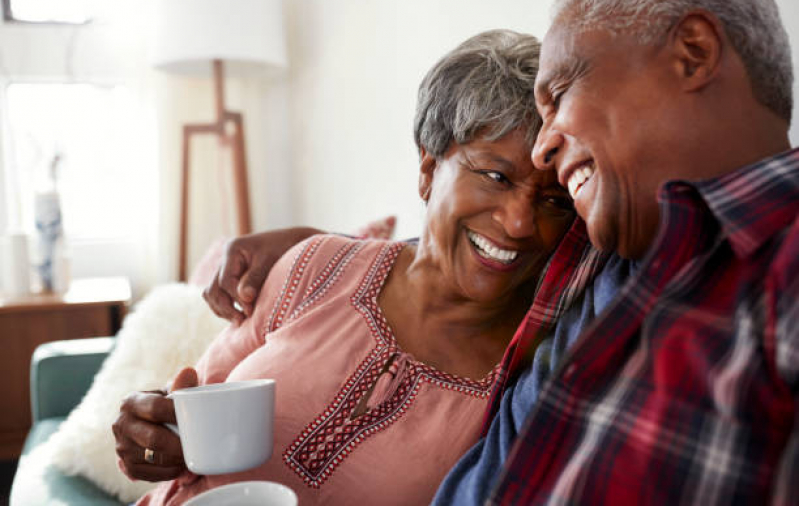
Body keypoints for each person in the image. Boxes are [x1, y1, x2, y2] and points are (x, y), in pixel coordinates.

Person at [208, 0, 799, 504]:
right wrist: (308, 251)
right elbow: (437, 259)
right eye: (497, 173)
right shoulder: (601, 256)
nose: (545, 147)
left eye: (561, 91)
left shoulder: (774, 272)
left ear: (693, 54)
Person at [113, 29, 578, 505]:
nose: (521, 222)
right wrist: (150, 433)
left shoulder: (529, 379)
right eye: (496, 176)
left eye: (553, 200)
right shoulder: (316, 265)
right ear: (428, 167)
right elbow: (189, 406)